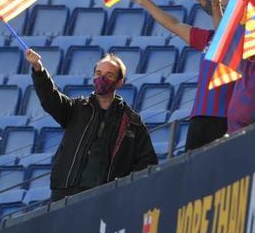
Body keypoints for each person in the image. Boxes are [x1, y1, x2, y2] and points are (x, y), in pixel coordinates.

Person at [26, 50, 157, 200]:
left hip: (105, 198)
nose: (102, 78)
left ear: (120, 82)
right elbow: (51, 99)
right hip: (65, 192)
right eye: (98, 73)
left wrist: (123, 190)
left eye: (109, 75)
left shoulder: (132, 122)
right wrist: (38, 68)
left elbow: (147, 162)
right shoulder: (77, 108)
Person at [133, 0, 233, 150]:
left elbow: (225, 35)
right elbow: (174, 24)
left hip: (225, 119)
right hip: (199, 117)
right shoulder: (208, 38)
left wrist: (212, 3)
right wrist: (144, 0)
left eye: (229, 8)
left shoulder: (244, 42)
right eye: (222, 7)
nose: (223, 12)